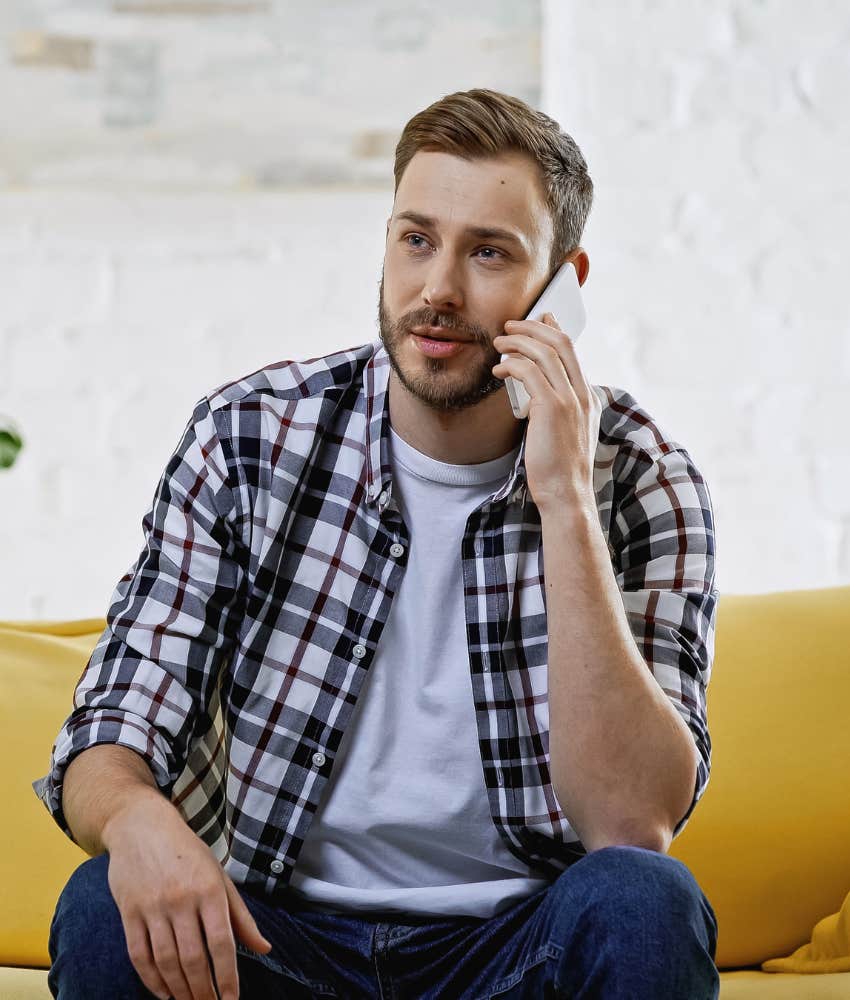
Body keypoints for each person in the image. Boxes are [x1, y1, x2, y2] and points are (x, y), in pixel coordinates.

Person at [34, 88, 720, 1000]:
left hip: (517, 952)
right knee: (99, 908)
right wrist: (132, 820)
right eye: (416, 239)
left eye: (488, 252)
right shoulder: (250, 440)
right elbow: (110, 725)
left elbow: (632, 825)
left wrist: (563, 500)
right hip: (278, 942)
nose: (437, 288)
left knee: (643, 902)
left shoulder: (643, 481)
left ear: (563, 285)